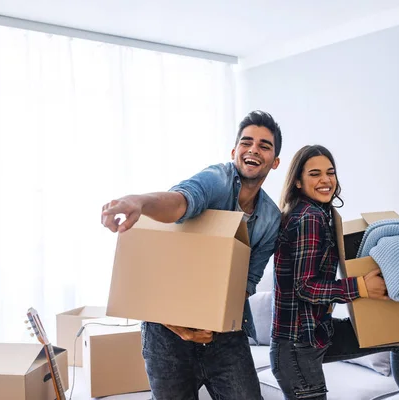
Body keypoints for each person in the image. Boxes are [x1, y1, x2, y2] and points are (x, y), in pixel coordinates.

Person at [101, 110, 283, 400]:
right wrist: (140, 202)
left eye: (264, 145)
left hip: (223, 336)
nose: (253, 149)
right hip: (166, 331)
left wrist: (209, 319)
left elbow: (247, 282)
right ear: (235, 151)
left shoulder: (272, 219)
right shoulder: (218, 179)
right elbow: (180, 201)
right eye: (247, 142)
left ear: (274, 162)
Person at [271, 144, 399, 400]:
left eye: (330, 173)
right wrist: (361, 287)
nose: (325, 180)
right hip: (297, 348)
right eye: (315, 174)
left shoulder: (322, 213)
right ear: (297, 181)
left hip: (317, 335)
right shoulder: (308, 217)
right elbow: (305, 286)